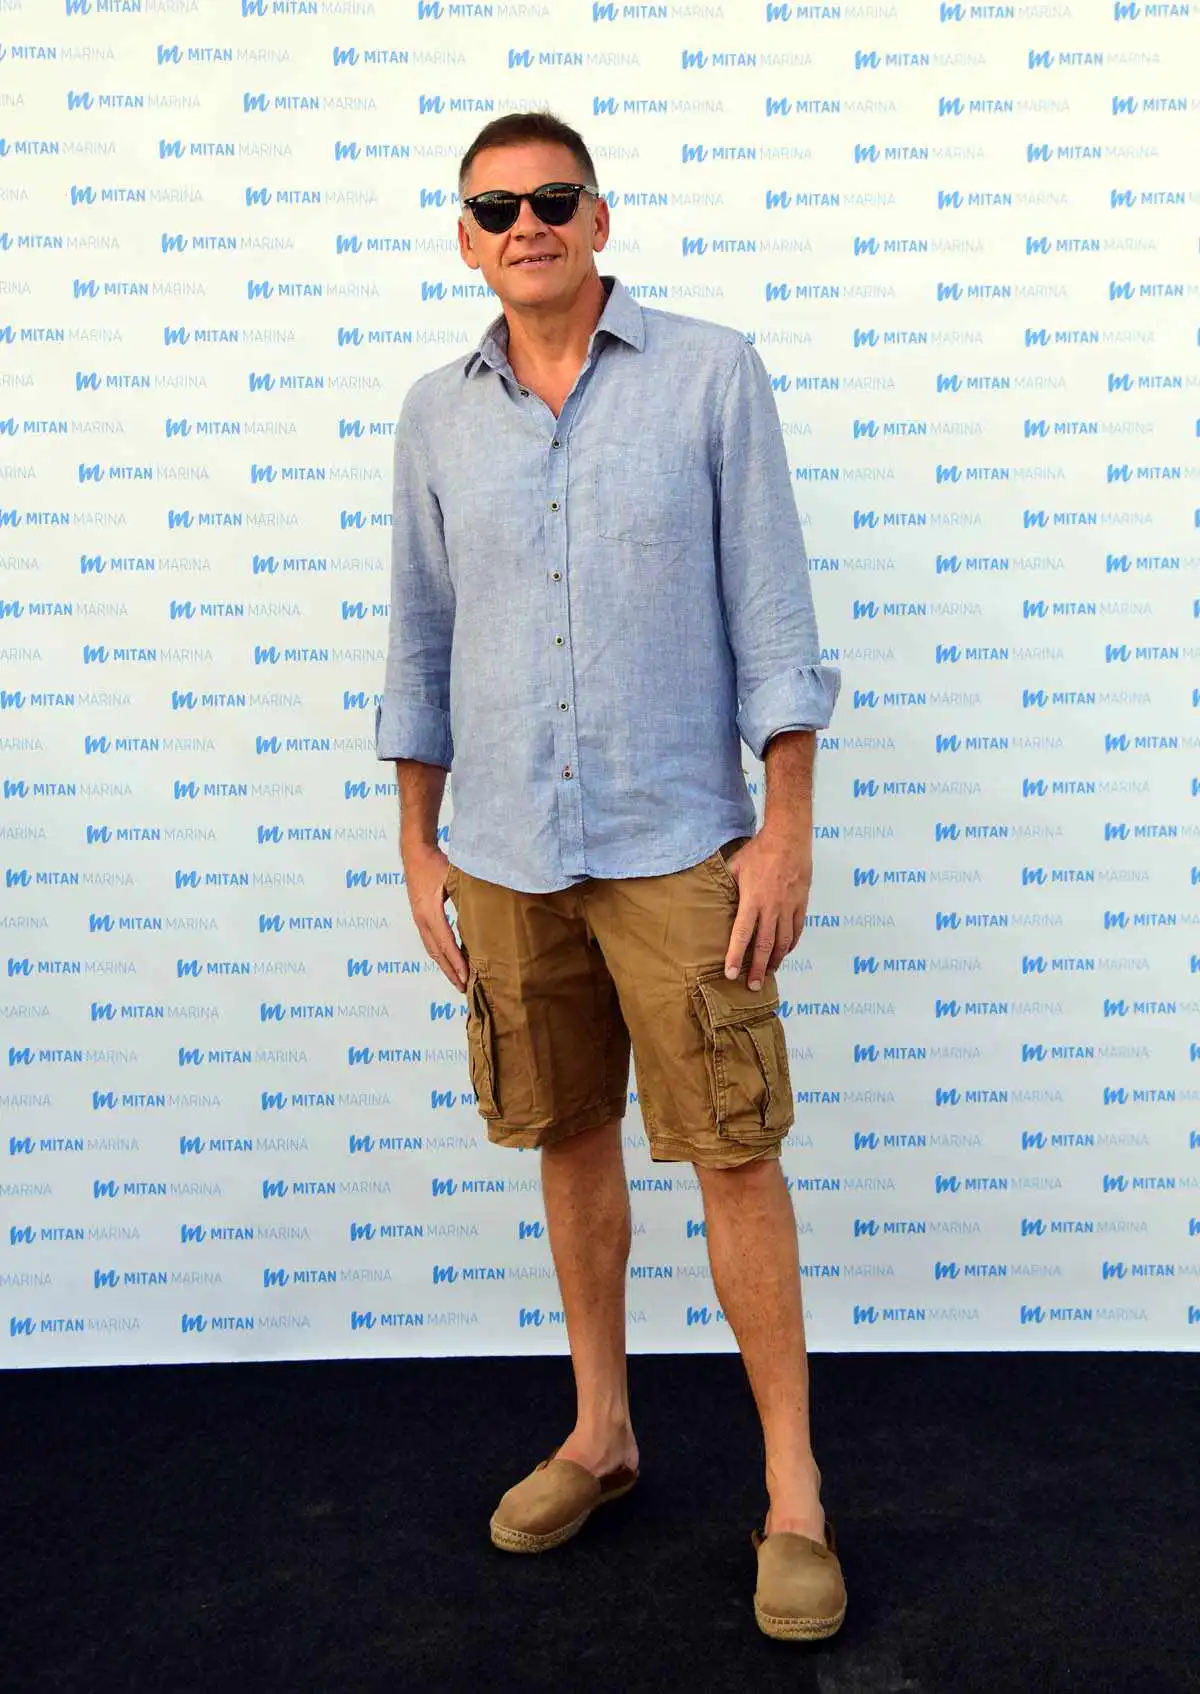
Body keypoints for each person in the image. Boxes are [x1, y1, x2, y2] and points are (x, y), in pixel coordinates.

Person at [375, 109, 844, 1642]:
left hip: (676, 845)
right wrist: (418, 839)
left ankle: (793, 1495)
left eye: (552, 196)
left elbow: (775, 620)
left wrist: (784, 826)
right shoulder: (435, 416)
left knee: (733, 1150)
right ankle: (603, 1432)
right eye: (494, 206)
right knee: (568, 1135)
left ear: (598, 218)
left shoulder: (712, 375)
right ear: (465, 239)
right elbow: (421, 639)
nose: (525, 222)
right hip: (508, 852)